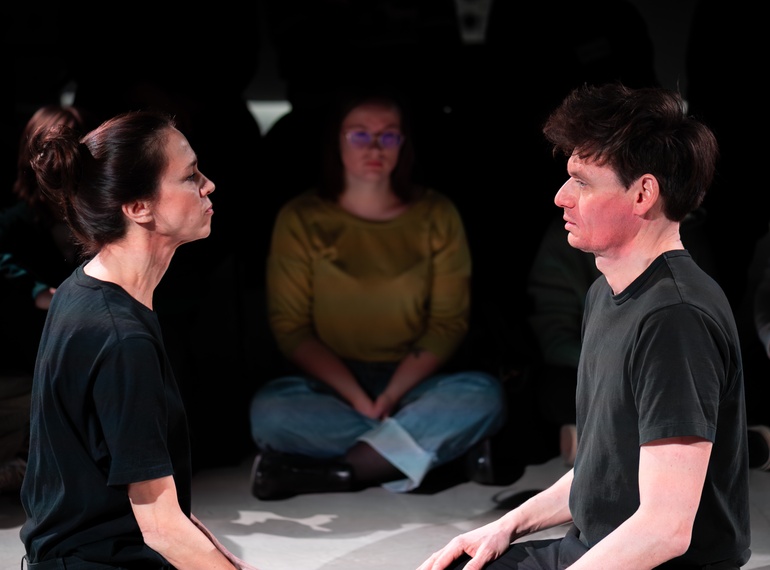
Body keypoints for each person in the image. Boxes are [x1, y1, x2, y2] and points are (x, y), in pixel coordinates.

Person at [417, 83, 751, 570]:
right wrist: (506, 524)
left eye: (582, 182)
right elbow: (603, 473)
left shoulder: (675, 319)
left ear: (643, 193)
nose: (561, 197)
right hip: (595, 549)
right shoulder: (606, 293)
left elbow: (665, 529)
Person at [19, 110, 258, 569]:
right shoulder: (120, 338)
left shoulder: (83, 289)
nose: (208, 185)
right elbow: (161, 527)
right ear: (137, 207)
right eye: (190, 176)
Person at [248, 89, 506, 500]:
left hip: (412, 386)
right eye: (359, 135)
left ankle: (340, 472)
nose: (375, 148)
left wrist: (389, 396)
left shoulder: (436, 214)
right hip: (334, 388)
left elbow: (447, 323)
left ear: (403, 144)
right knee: (271, 412)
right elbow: (291, 328)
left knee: (482, 396)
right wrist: (359, 398)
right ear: (336, 141)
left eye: (388, 136)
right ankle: (435, 456)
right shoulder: (301, 217)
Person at [0, 105, 90, 497]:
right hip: (28, 356)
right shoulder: (14, 222)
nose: (58, 161)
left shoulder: (94, 217)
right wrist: (35, 291)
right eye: (47, 150)